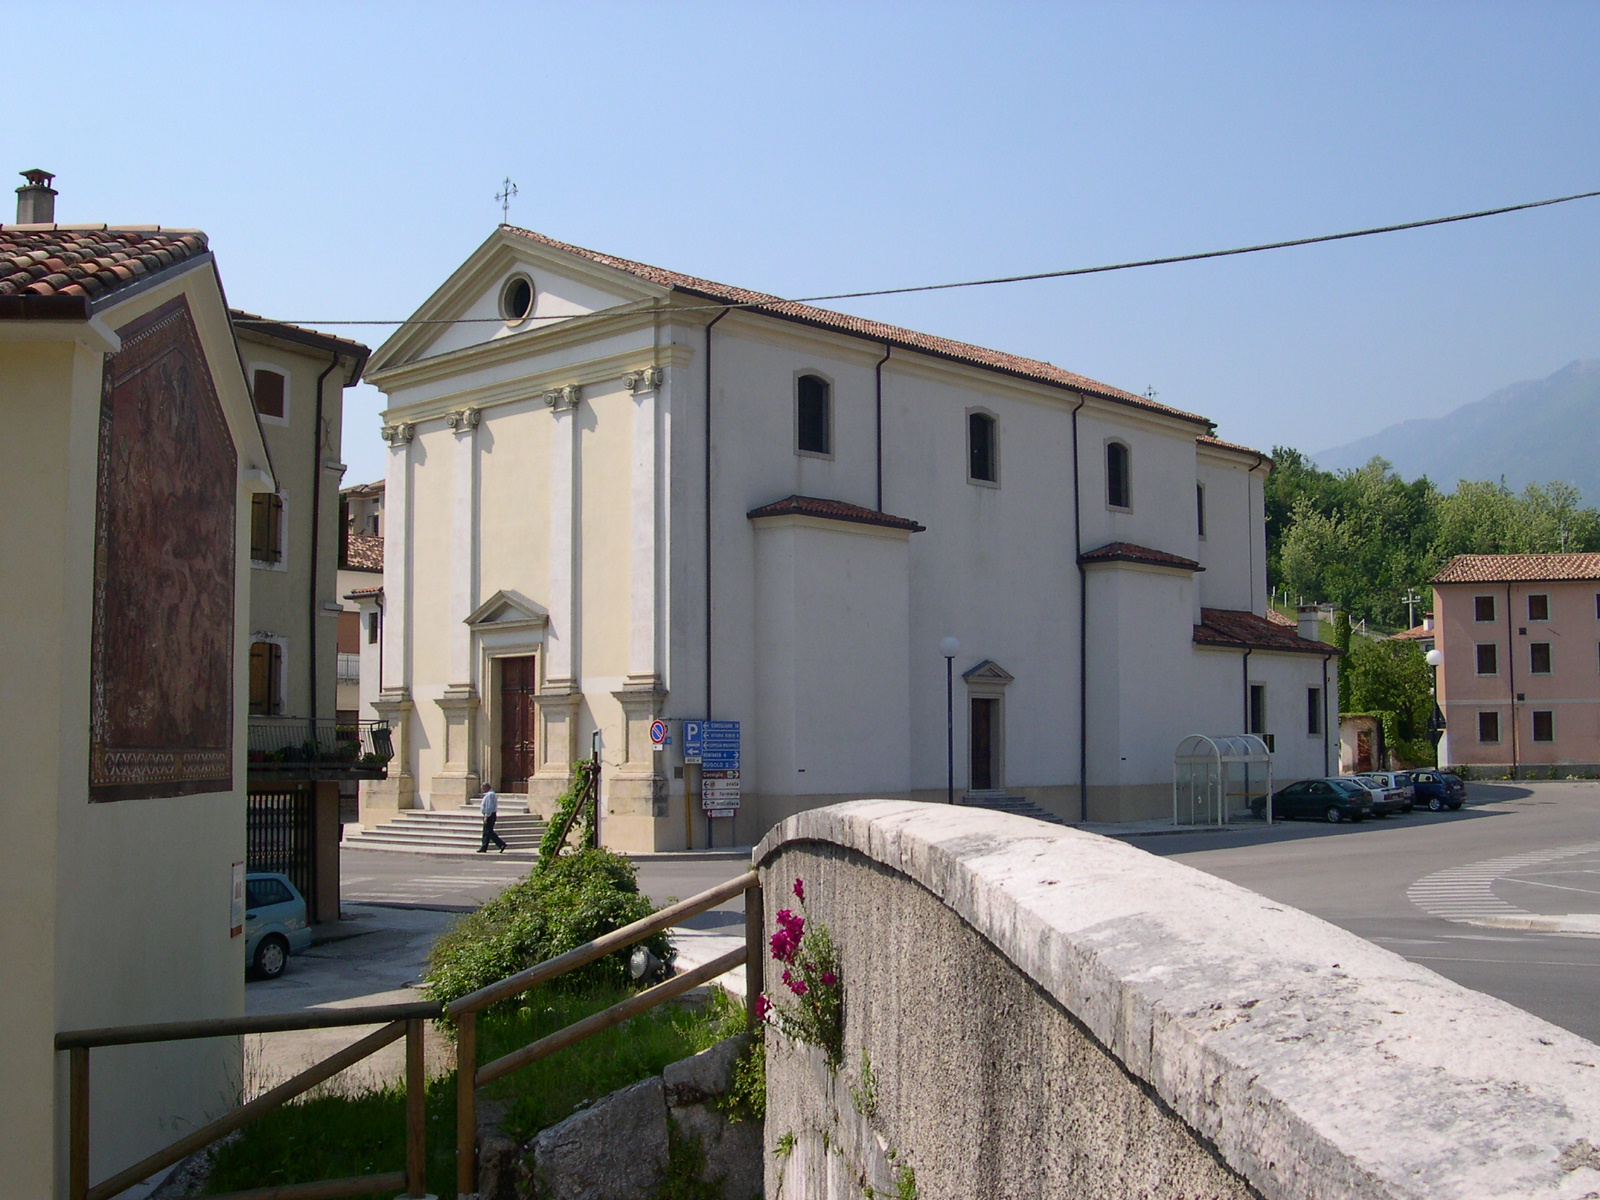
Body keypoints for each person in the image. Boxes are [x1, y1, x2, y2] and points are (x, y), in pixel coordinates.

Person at [477, 783, 507, 853]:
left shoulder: (490, 795)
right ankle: (484, 847)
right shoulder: (490, 794)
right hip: (490, 814)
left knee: (489, 831)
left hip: (489, 815)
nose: (482, 789)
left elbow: (489, 806)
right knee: (486, 832)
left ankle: (501, 844)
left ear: (487, 788)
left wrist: (486, 816)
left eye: (483, 788)